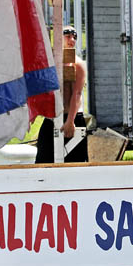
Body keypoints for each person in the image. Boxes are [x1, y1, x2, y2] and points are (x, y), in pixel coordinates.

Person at [35, 25, 88, 163]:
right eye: (68, 35)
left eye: (74, 37)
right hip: (53, 117)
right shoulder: (51, 61)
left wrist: (70, 121)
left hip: (72, 117)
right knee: (43, 161)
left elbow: (76, 94)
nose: (72, 40)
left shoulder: (78, 64)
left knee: (75, 163)